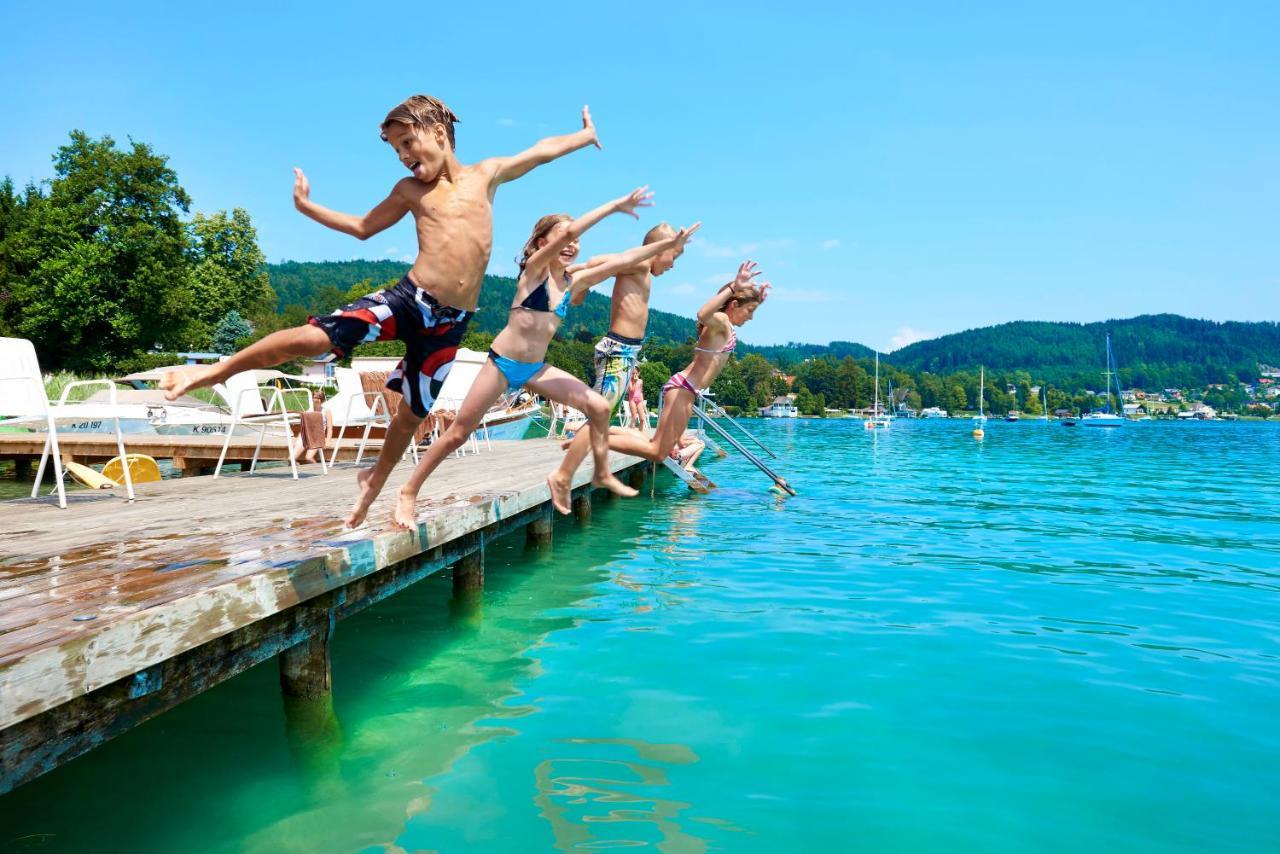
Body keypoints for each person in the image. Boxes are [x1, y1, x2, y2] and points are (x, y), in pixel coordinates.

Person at [158, 94, 602, 525]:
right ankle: (216, 372)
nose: (403, 156)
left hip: (449, 327)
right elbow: (363, 228)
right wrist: (307, 206)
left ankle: (379, 487)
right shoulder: (410, 190)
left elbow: (540, 153)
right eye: (395, 149)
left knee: (412, 413)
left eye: (408, 143)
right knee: (316, 337)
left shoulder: (485, 176)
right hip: (408, 301)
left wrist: (583, 137)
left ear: (439, 132)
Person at [389, 189, 699, 528]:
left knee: (597, 407)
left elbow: (625, 261)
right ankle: (408, 491)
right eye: (564, 239)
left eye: (576, 240)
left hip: (536, 368)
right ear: (540, 243)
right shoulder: (534, 270)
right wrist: (613, 206)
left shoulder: (572, 280)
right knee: (458, 434)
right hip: (502, 364)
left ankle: (573, 476)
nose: (572, 244)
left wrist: (670, 246)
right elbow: (581, 246)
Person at [554, 262, 773, 483]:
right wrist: (734, 287)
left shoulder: (726, 324)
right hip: (682, 388)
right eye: (750, 311)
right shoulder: (722, 321)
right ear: (734, 304)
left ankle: (592, 435)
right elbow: (702, 313)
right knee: (658, 451)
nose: (751, 317)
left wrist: (756, 299)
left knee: (656, 445)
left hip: (686, 390)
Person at [548, 221, 690, 488]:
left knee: (602, 418)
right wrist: (574, 276)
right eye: (675, 256)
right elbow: (600, 260)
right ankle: (565, 473)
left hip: (626, 352)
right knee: (598, 417)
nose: (673, 265)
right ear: (660, 248)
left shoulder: (643, 269)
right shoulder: (640, 263)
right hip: (617, 351)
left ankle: (576, 447)